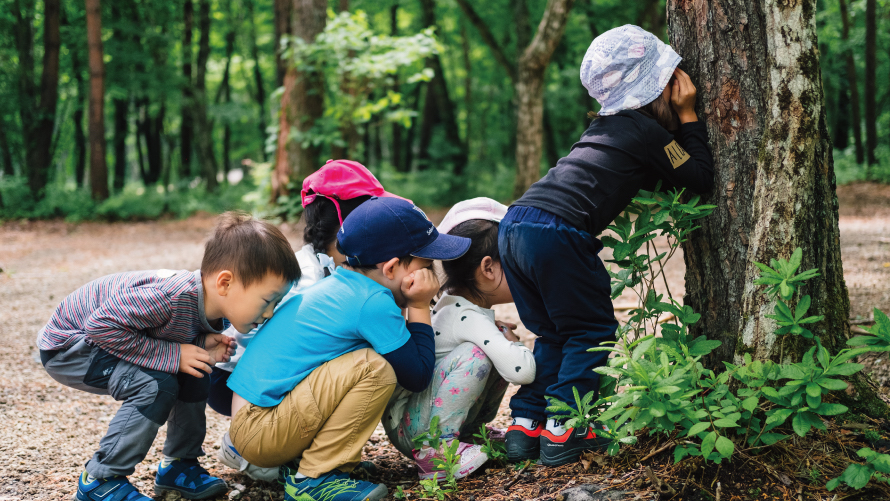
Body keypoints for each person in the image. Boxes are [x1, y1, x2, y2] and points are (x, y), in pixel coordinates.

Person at [501, 24, 715, 467]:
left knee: (556, 333)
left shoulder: (607, 128)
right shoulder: (647, 132)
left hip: (516, 224)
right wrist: (690, 115)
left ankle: (525, 426)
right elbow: (699, 178)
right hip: (558, 231)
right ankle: (565, 429)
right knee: (590, 333)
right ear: (660, 85)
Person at [36, 212, 301, 501]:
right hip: (69, 346)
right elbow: (100, 326)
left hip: (104, 339)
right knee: (155, 383)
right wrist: (174, 354)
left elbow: (158, 331)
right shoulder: (169, 298)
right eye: (267, 301)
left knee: (196, 369)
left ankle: (178, 466)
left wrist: (198, 344)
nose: (270, 313)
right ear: (224, 284)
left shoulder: (215, 307)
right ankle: (100, 480)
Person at [225, 197, 471, 501]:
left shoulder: (344, 286)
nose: (431, 274)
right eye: (425, 264)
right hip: (260, 430)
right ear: (392, 267)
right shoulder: (372, 302)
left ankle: (304, 465)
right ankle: (315, 479)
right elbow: (418, 375)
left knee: (367, 360)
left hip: (256, 424)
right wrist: (419, 305)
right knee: (374, 367)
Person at [210, 160, 407, 482]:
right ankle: (281, 459)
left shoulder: (341, 269)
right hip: (243, 384)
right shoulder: (306, 280)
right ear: (349, 220)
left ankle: (303, 452)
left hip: (267, 382)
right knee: (368, 363)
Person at [383, 197, 536, 481]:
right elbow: (522, 371)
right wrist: (516, 344)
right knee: (480, 354)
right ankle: (437, 449)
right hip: (413, 426)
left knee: (491, 349)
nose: (524, 272)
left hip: (416, 416)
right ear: (488, 268)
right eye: (515, 263)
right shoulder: (466, 317)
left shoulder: (455, 306)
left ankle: (469, 433)